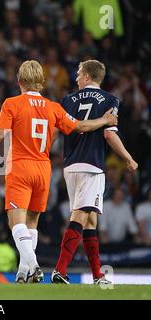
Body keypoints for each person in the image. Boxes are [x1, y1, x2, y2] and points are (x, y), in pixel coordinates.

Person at [0, 60, 118, 283]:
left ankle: (35, 266)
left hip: (20, 166)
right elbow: (80, 126)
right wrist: (104, 120)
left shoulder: (12, 104)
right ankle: (22, 273)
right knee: (32, 223)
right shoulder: (54, 107)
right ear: (41, 82)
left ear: (19, 81)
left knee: (15, 222)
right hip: (43, 169)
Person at [51, 60, 138, 284]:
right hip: (92, 165)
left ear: (88, 77)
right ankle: (60, 270)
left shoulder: (67, 100)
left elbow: (55, 134)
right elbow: (109, 135)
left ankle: (98, 276)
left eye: (79, 74)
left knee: (90, 221)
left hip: (70, 166)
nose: (76, 78)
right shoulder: (110, 100)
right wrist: (128, 158)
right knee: (80, 216)